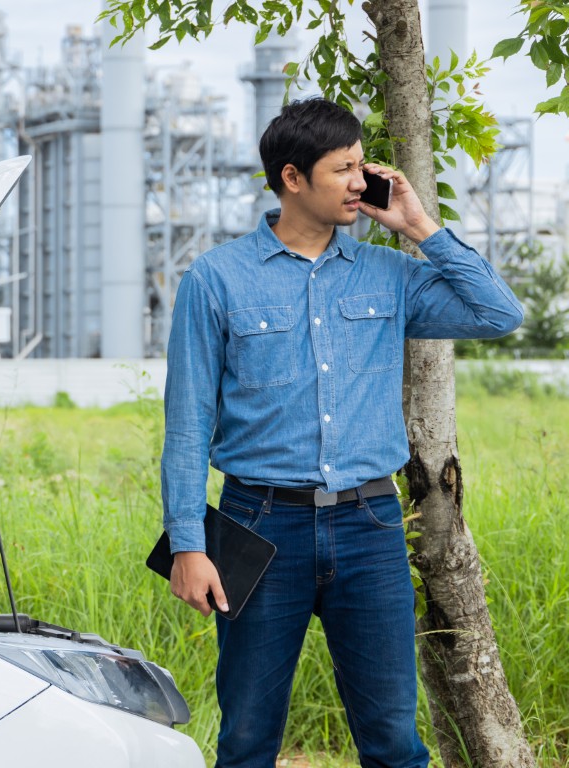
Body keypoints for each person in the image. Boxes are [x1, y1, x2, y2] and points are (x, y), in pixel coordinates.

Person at [160, 97, 523, 767]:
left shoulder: (390, 275)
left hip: (371, 525)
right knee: (246, 738)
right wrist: (187, 544)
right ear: (292, 178)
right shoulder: (216, 280)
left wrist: (421, 227)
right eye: (344, 168)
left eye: (364, 166)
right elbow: (186, 425)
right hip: (259, 524)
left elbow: (498, 314)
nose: (361, 181)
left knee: (392, 740)